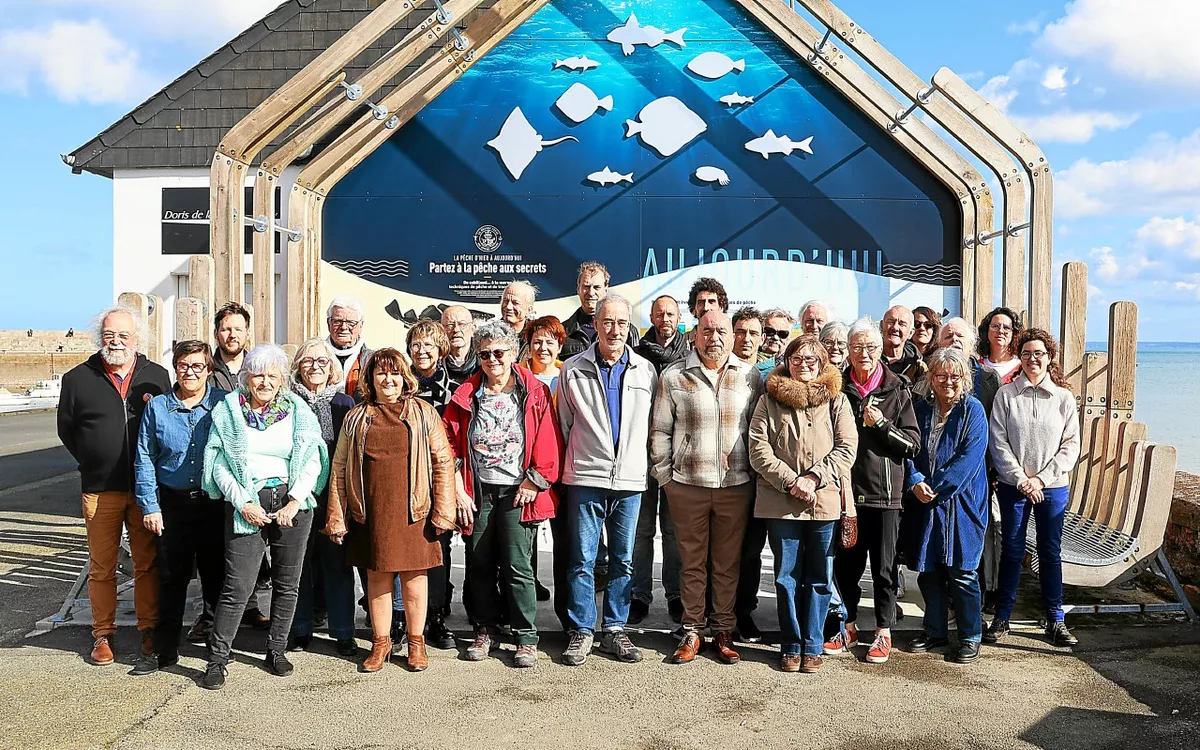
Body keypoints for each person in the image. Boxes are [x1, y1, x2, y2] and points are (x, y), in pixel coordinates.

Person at [199, 344, 329, 690]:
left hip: (291, 502)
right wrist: (243, 502)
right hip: (247, 503)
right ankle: (217, 658)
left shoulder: (298, 410)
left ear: (282, 379)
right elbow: (219, 464)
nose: (265, 381)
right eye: (258, 374)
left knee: (288, 584)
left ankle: (276, 649)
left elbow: (313, 457)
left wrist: (295, 501)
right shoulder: (229, 412)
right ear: (246, 377)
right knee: (237, 586)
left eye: (272, 375)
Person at [324, 348, 458, 672]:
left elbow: (442, 462)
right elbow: (339, 467)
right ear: (370, 378)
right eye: (381, 373)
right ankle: (381, 642)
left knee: (415, 578)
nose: (388, 379)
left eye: (395, 373)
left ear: (404, 377)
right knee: (377, 576)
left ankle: (416, 642)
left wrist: (443, 512)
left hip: (415, 510)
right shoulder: (356, 417)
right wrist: (337, 517)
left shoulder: (424, 413)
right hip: (372, 510)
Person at [443, 321, 562, 668]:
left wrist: (535, 480)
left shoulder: (533, 390)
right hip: (478, 492)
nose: (493, 359)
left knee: (518, 565)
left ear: (512, 354)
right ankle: (484, 629)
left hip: (517, 491)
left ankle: (525, 636)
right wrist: (458, 488)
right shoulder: (466, 393)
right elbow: (448, 443)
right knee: (478, 562)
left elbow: (548, 439)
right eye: (485, 354)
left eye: (499, 352)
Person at [58, 305, 171, 666]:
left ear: (137, 338)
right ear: (100, 338)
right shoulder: (77, 379)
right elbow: (68, 430)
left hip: (144, 490)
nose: (116, 342)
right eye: (109, 335)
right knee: (102, 565)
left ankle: (148, 628)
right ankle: (102, 634)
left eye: (124, 335)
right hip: (100, 488)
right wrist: (92, 459)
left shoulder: (157, 377)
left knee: (146, 563)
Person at [650, 311, 764, 665]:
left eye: (721, 330)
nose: (714, 336)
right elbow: (659, 432)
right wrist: (666, 477)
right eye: (706, 330)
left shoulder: (750, 376)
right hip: (687, 486)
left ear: (731, 337)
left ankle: (724, 630)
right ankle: (692, 630)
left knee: (728, 563)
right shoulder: (674, 376)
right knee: (692, 562)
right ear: (694, 335)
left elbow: (758, 431)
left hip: (736, 485)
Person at [557, 295, 657, 666]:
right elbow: (565, 425)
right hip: (585, 475)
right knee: (582, 559)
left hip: (630, 479)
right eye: (607, 322)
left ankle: (614, 628)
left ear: (629, 326)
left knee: (623, 559)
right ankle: (582, 630)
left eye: (621, 323)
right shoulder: (572, 369)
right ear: (595, 325)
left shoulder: (646, 371)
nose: (614, 330)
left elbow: (651, 427)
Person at [747, 335, 857, 673]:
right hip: (780, 502)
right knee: (786, 576)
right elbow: (757, 448)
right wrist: (791, 481)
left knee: (820, 576)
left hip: (823, 500)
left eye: (812, 359)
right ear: (787, 360)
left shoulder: (837, 401)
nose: (804, 364)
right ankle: (791, 644)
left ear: (823, 363)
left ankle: (813, 644)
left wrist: (812, 479)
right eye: (797, 358)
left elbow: (846, 447)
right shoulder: (768, 400)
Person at [129, 340, 227, 676]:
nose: (190, 372)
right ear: (175, 368)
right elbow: (144, 458)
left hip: (214, 503)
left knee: (216, 578)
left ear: (208, 370)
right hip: (171, 503)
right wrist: (149, 506)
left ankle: (217, 656)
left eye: (198, 366)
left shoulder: (223, 404)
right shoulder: (157, 407)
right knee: (171, 578)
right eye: (184, 365)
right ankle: (163, 651)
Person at [826, 317, 919, 665]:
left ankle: (883, 631)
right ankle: (847, 625)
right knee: (847, 566)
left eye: (870, 347)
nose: (863, 353)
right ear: (846, 351)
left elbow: (912, 445)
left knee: (883, 568)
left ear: (880, 350)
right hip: (846, 494)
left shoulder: (898, 389)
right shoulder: (837, 387)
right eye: (856, 347)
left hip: (885, 494)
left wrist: (881, 424)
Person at [985, 328, 1082, 648]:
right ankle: (1002, 618)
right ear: (1020, 358)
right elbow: (998, 441)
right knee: (1012, 551)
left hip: (1052, 487)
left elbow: (1071, 446)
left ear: (1049, 357)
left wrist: (1041, 479)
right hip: (1014, 486)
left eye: (1038, 353)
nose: (1032, 359)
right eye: (1026, 353)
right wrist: (1022, 479)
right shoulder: (1006, 395)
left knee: (1049, 552)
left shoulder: (1064, 398)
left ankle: (1055, 620)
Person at [903, 348, 990, 665]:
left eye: (955, 376)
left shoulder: (973, 411)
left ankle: (970, 636)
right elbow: (908, 448)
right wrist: (914, 479)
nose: (947, 382)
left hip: (961, 503)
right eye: (940, 375)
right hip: (924, 502)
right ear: (931, 377)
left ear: (965, 378)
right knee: (927, 571)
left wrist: (934, 487)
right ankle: (934, 631)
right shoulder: (921, 409)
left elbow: (969, 459)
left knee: (962, 572)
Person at [286, 339, 357, 657]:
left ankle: (343, 632)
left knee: (337, 564)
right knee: (298, 564)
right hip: (296, 497)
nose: (315, 366)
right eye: (307, 360)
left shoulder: (344, 403)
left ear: (332, 368)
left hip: (333, 495)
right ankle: (300, 628)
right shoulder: (285, 403)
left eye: (322, 361)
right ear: (298, 367)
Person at [401, 321, 462, 649]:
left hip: (440, 475)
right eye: (416, 345)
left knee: (439, 544)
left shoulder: (455, 386)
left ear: (441, 350)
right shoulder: (399, 382)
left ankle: (436, 615)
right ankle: (401, 616)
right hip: (402, 476)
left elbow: (459, 436)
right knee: (401, 545)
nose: (422, 351)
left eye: (429, 345)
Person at [630, 295, 687, 624]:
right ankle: (639, 595)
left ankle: (676, 595)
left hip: (678, 456)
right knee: (641, 532)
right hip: (641, 454)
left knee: (673, 532)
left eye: (670, 313)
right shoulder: (637, 355)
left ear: (678, 316)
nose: (664, 318)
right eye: (659, 314)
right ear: (651, 317)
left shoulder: (688, 356)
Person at [520, 315, 569, 613]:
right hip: (528, 473)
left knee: (565, 544)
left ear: (560, 344)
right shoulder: (518, 377)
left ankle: (567, 613)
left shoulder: (571, 375)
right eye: (537, 341)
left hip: (566, 472)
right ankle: (524, 608)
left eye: (550, 342)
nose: (543, 347)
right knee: (524, 544)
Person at [732, 305, 768, 641]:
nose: (746, 338)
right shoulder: (722, 371)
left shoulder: (766, 376)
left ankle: (745, 611)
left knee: (751, 552)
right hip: (731, 478)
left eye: (753, 333)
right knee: (728, 551)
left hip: (762, 481)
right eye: (741, 332)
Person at [561, 262, 638, 359]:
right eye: (586, 287)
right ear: (578, 289)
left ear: (606, 289)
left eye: (596, 287)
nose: (591, 293)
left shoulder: (629, 331)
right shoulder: (563, 331)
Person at [326, 296, 374, 400]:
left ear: (360, 326)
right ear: (328, 323)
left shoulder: (372, 360)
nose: (343, 327)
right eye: (337, 321)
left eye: (350, 323)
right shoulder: (315, 357)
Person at [977, 306, 1024, 385]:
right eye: (995, 326)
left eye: (1006, 327)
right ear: (986, 331)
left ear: (1014, 334)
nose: (1000, 331)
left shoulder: (1023, 368)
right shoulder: (976, 368)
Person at [209, 302, 250, 393]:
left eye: (238, 330)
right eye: (226, 330)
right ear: (216, 334)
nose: (232, 335)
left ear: (247, 333)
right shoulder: (206, 372)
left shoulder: (257, 370)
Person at [881, 305, 924, 384]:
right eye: (891, 322)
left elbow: (922, 395)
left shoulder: (918, 366)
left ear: (911, 333)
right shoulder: (867, 358)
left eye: (902, 324)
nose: (895, 327)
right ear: (881, 325)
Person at [441, 305, 479, 391]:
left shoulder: (485, 361)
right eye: (450, 325)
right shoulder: (434, 363)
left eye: (462, 324)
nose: (456, 329)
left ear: (473, 329)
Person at [755, 309, 796, 379]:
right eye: (770, 332)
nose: (776, 337)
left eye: (782, 334)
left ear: (789, 338)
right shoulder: (748, 357)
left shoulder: (794, 365)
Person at [685, 277, 729, 341]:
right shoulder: (680, 343)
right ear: (694, 308)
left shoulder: (731, 341)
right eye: (701, 302)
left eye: (711, 302)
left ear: (721, 307)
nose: (706, 308)